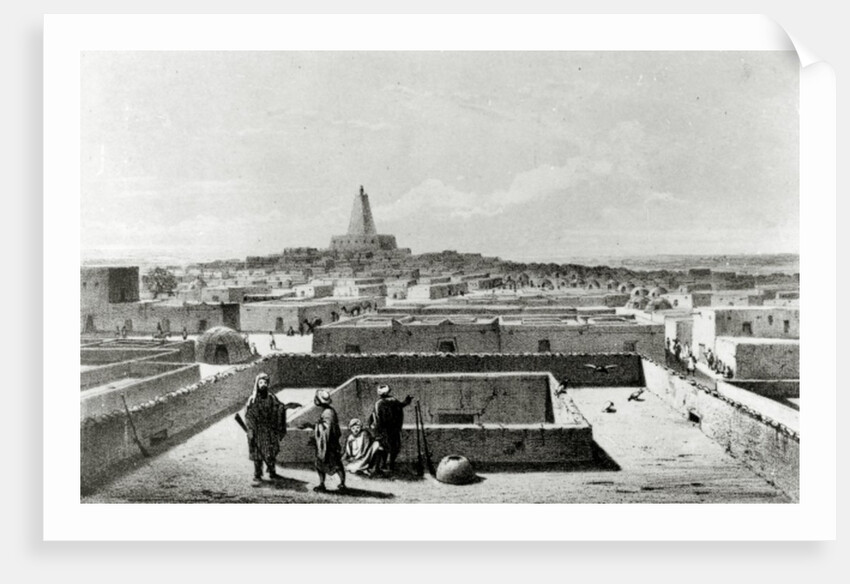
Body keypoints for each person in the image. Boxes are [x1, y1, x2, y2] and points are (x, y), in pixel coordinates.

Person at [244, 373, 287, 483]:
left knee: (271, 451)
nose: (263, 385)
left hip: (269, 429)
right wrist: (250, 429)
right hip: (257, 430)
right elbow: (249, 415)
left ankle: (272, 471)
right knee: (257, 453)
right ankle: (258, 473)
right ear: (257, 384)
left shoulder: (271, 397)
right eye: (261, 382)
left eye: (265, 383)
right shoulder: (252, 400)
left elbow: (278, 408)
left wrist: (282, 408)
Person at [305, 390, 346, 492]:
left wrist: (315, 427)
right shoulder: (328, 411)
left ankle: (341, 484)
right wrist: (314, 426)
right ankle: (322, 484)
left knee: (335, 464)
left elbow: (327, 429)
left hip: (329, 444)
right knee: (321, 464)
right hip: (326, 443)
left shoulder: (328, 413)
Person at [368, 384, 413, 474]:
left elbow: (376, 418)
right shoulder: (392, 401)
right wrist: (407, 401)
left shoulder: (379, 403)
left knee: (385, 448)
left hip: (385, 430)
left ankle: (384, 465)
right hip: (392, 430)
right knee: (392, 448)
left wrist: (375, 428)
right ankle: (388, 465)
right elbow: (401, 405)